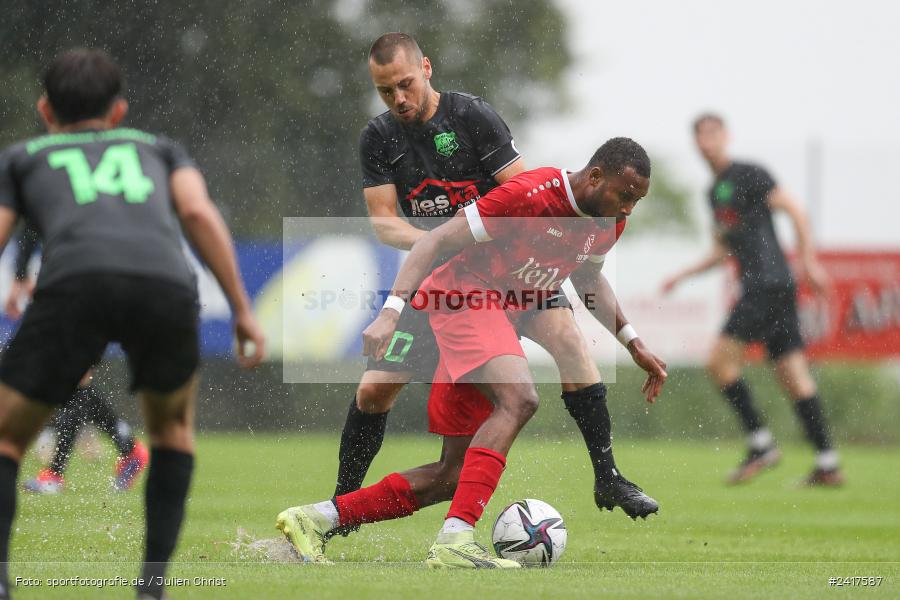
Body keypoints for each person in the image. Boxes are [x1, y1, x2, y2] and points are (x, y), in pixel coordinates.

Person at [277, 137, 668, 568]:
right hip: (462, 297)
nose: (629, 208)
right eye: (625, 195)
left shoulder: (607, 221)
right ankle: (456, 539)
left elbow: (589, 280)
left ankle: (315, 519)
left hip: (499, 317)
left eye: (636, 200)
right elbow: (435, 241)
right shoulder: (529, 194)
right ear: (595, 177)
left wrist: (633, 342)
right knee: (519, 399)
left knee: (452, 476)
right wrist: (391, 312)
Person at [331, 33, 659, 536]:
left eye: (405, 84)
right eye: (385, 91)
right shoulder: (378, 139)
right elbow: (382, 223)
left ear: (426, 67)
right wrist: (442, 242)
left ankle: (608, 476)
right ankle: (342, 505)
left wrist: (628, 335)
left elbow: (520, 194)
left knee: (571, 343)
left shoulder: (472, 117)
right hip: (451, 276)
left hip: (512, 262)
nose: (398, 98)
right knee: (375, 391)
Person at [0, 49, 265, 600]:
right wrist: (241, 307)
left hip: (72, 284)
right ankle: (151, 588)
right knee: (171, 430)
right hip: (164, 285)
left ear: (45, 110)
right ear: (118, 112)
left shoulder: (24, 156)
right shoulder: (160, 149)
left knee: (7, 437)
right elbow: (196, 213)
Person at [661, 113, 842, 486]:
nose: (705, 141)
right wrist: (683, 275)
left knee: (718, 362)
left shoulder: (749, 173)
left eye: (712, 133)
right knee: (793, 374)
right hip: (773, 288)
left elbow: (795, 210)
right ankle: (828, 462)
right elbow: (722, 249)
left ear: (726, 136)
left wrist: (809, 262)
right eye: (699, 135)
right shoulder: (713, 192)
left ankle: (761, 443)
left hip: (766, 285)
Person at [5, 226, 148, 494]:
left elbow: (30, 230)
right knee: (73, 384)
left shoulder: (72, 204)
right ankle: (128, 448)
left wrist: (25, 279)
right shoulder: (65, 205)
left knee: (72, 381)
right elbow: (31, 232)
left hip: (89, 295)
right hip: (74, 293)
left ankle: (57, 473)